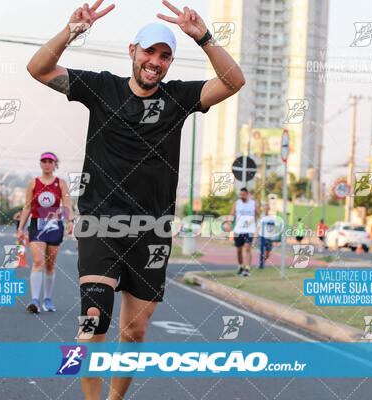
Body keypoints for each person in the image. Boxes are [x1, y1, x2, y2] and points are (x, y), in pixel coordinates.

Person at [26, 1, 244, 398]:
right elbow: (38, 69)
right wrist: (71, 31)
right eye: (149, 51)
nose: (155, 61)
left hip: (153, 232)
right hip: (100, 224)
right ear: (133, 51)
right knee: (94, 323)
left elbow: (233, 82)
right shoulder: (100, 87)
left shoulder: (178, 98)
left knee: (135, 332)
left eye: (164, 55)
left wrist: (205, 38)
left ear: (169, 62)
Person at [17, 152, 74, 313]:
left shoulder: (61, 183)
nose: (47, 164)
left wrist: (71, 222)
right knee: (37, 262)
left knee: (50, 265)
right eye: (44, 161)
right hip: (37, 225)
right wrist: (20, 229)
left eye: (50, 161)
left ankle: (47, 299)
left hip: (55, 226)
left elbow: (67, 205)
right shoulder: (33, 183)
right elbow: (27, 207)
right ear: (40, 164)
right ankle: (34, 300)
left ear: (55, 164)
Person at [231, 188, 259, 276]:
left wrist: (253, 220)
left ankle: (247, 269)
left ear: (247, 194)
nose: (241, 196)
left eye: (243, 194)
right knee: (239, 250)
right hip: (238, 230)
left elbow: (258, 215)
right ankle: (240, 267)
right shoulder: (236, 203)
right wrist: (229, 223)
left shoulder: (253, 204)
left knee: (247, 247)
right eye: (240, 194)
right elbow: (232, 214)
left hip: (249, 230)